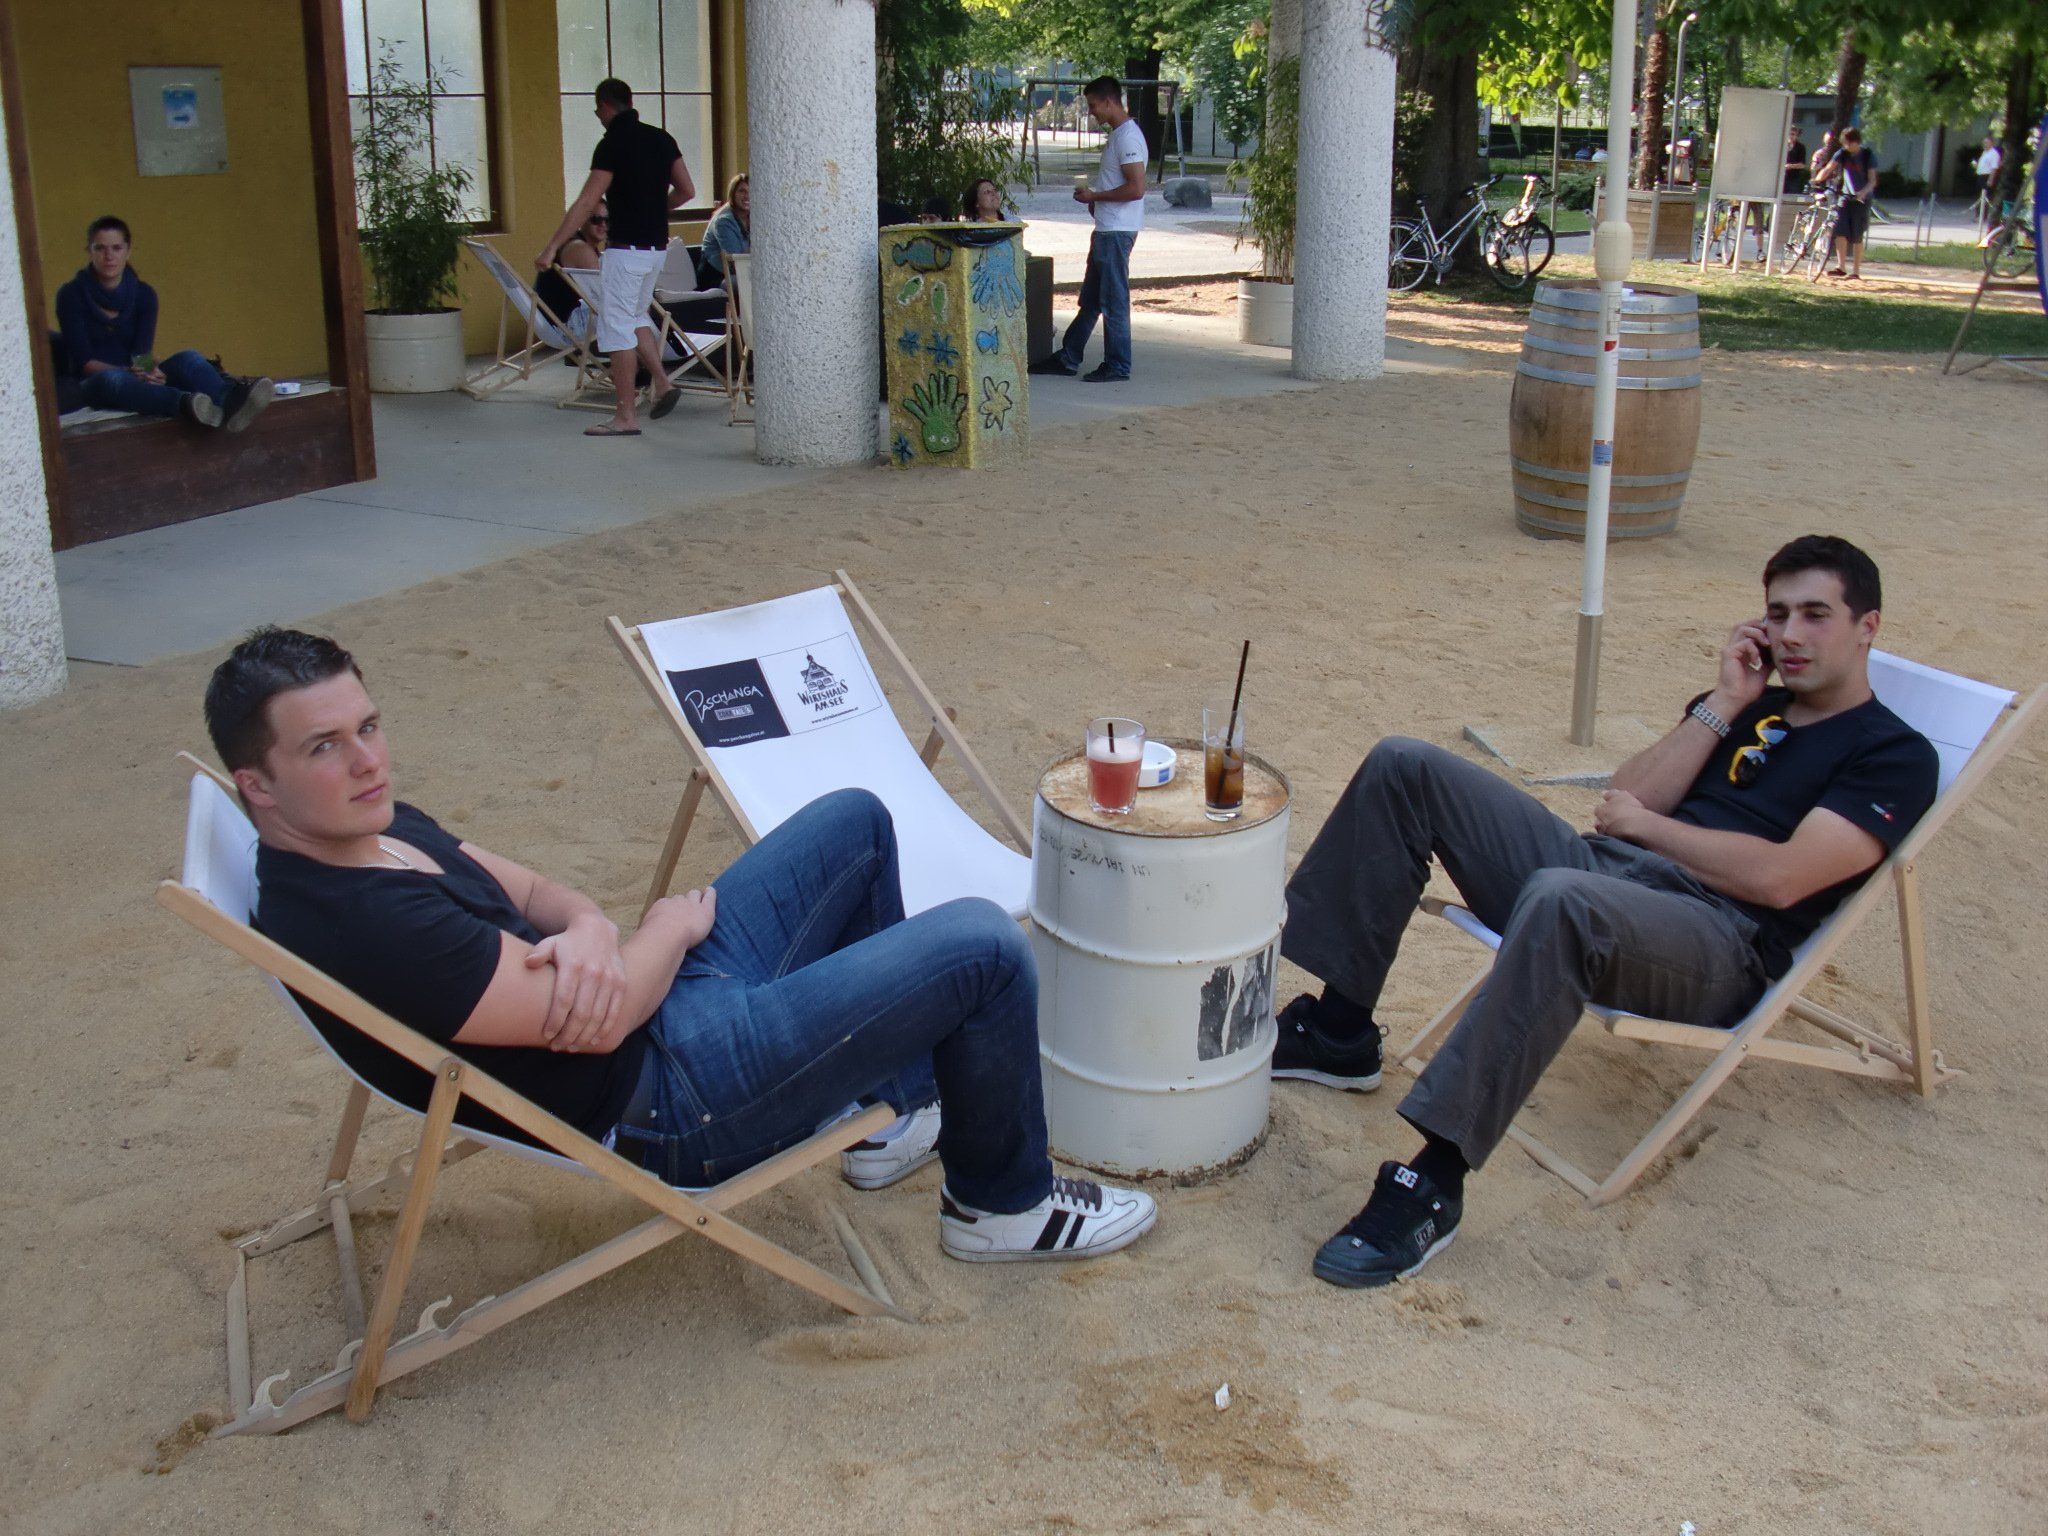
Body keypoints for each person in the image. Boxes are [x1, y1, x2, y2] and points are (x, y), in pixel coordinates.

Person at [208, 627, 1157, 1264]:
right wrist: (659, 931)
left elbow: (535, 895)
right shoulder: (363, 924)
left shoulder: (373, 825)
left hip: (655, 1008)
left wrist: (591, 931)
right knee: (982, 944)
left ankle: (891, 1118)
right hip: (672, 1101)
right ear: (257, 784)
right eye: (324, 747)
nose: (368, 761)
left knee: (856, 821)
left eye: (369, 727)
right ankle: (1000, 1206)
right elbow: (600, 1023)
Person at [1270, 536, 1936, 1289]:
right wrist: (1724, 704)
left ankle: (1434, 1182)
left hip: (1719, 937)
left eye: (1815, 615)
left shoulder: (1894, 755)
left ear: (1867, 626)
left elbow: (1780, 879)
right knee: (1405, 765)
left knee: (1564, 900)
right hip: (1605, 871)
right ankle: (1340, 1032)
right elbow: (1629, 795)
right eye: (1777, 614)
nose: (1789, 635)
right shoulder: (1747, 706)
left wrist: (1649, 830)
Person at [538, 78, 693, 438]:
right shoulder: (662, 138)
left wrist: (552, 247)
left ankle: (625, 417)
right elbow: (687, 190)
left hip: (625, 253)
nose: (598, 117)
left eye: (598, 111)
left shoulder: (612, 144)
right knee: (635, 317)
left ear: (606, 106)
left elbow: (587, 202)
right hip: (655, 252)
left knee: (616, 329)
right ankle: (662, 383)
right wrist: (654, 210)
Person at [54, 216, 273, 431]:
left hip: (135, 374)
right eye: (100, 248)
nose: (108, 256)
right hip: (94, 382)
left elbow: (142, 353)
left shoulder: (144, 295)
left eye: (116, 248)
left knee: (189, 357)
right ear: (89, 251)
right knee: (113, 380)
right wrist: (129, 372)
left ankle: (231, 401)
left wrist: (150, 371)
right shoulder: (71, 295)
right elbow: (84, 362)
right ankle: (186, 403)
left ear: (128, 251)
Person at [1029, 76, 1147, 384]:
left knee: (1113, 301)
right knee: (1092, 299)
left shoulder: (1128, 138)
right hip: (1108, 228)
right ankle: (1069, 356)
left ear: (1109, 101)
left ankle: (1118, 364)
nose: (1091, 112)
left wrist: (1096, 196)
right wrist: (1096, 200)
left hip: (1116, 232)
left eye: (1094, 105)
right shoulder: (1119, 135)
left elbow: (1136, 188)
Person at [533, 202, 606, 343]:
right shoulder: (581, 250)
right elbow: (602, 295)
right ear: (582, 220)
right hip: (566, 328)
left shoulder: (570, 241)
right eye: (596, 219)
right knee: (632, 314)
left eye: (608, 220)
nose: (603, 225)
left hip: (548, 323)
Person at [1814, 127, 1877, 279]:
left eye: (1848, 143)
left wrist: (1863, 193)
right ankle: (1841, 267)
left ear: (1856, 142)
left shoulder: (1867, 155)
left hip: (1862, 200)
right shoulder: (1842, 153)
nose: (1846, 146)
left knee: (1857, 236)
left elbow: (1872, 181)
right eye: (1845, 143)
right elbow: (1828, 168)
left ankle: (1856, 272)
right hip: (1845, 197)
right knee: (1839, 231)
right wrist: (1817, 179)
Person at [698, 173, 749, 288]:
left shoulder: (754, 217)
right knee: (757, 284)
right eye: (742, 191)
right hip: (717, 278)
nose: (747, 196)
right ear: (733, 194)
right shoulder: (724, 221)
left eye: (751, 191)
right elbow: (736, 262)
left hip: (743, 273)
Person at [1974, 135, 2003, 217]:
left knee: (1985, 196)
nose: (1985, 144)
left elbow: (1994, 168)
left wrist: (1990, 180)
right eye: (1984, 143)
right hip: (1981, 175)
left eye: (1987, 142)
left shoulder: (1994, 154)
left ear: (1991, 143)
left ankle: (1983, 216)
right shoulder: (1985, 152)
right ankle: (1978, 214)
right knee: (1979, 196)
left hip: (1987, 176)